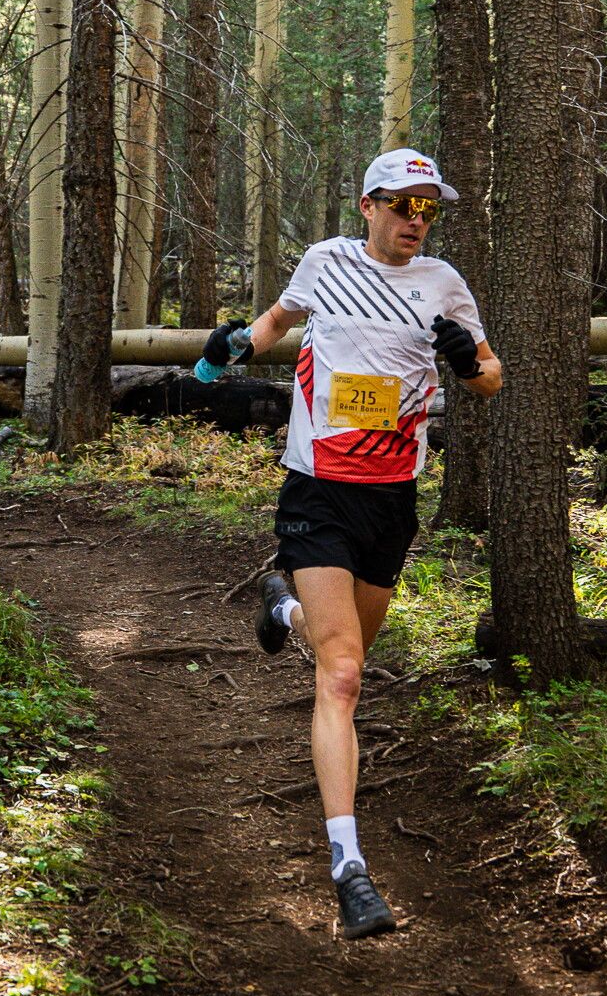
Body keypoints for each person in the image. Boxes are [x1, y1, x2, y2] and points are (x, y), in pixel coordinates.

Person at [201, 147, 503, 939]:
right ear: (368, 205)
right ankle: (349, 867)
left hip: (391, 500)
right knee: (341, 676)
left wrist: (467, 361)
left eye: (428, 208)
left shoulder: (443, 284)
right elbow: (278, 320)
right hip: (318, 491)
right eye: (404, 204)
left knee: (346, 655)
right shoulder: (326, 262)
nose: (416, 219)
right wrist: (234, 346)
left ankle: (285, 610)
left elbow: (491, 376)